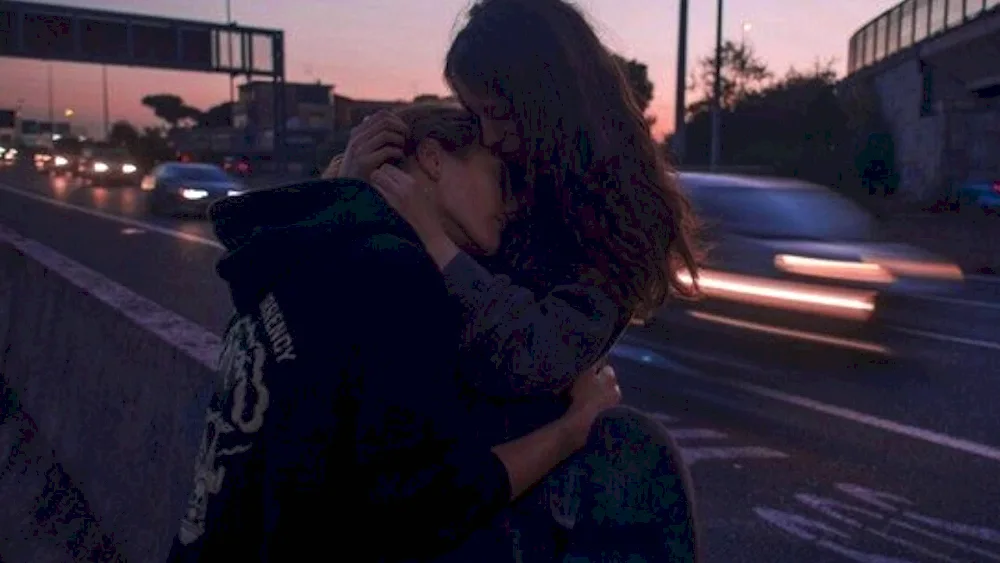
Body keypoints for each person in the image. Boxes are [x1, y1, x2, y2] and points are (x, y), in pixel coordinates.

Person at [165, 102, 629, 563]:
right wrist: (573, 428)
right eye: (501, 180)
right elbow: (427, 507)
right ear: (432, 159)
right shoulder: (395, 272)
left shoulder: (308, 249)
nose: (513, 206)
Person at [334, 0, 701, 559]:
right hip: (425, 461)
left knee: (635, 454)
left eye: (499, 113)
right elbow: (357, 292)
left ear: (551, 98)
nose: (490, 137)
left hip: (509, 470)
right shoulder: (496, 166)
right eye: (473, 113)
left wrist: (437, 241)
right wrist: (350, 187)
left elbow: (534, 356)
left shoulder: (624, 217)